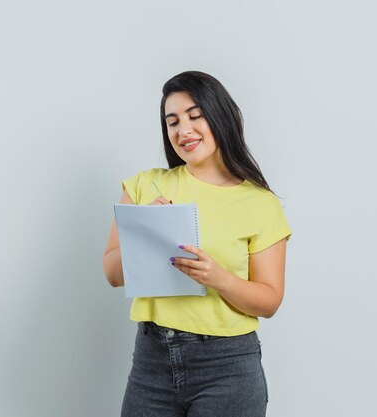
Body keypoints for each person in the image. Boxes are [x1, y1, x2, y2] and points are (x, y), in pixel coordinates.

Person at [101, 71, 292, 417]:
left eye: (194, 115)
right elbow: (112, 273)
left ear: (219, 115)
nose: (182, 130)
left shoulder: (260, 203)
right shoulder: (145, 186)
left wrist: (218, 278)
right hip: (151, 361)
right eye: (172, 122)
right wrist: (144, 228)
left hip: (227, 368)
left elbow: (269, 301)